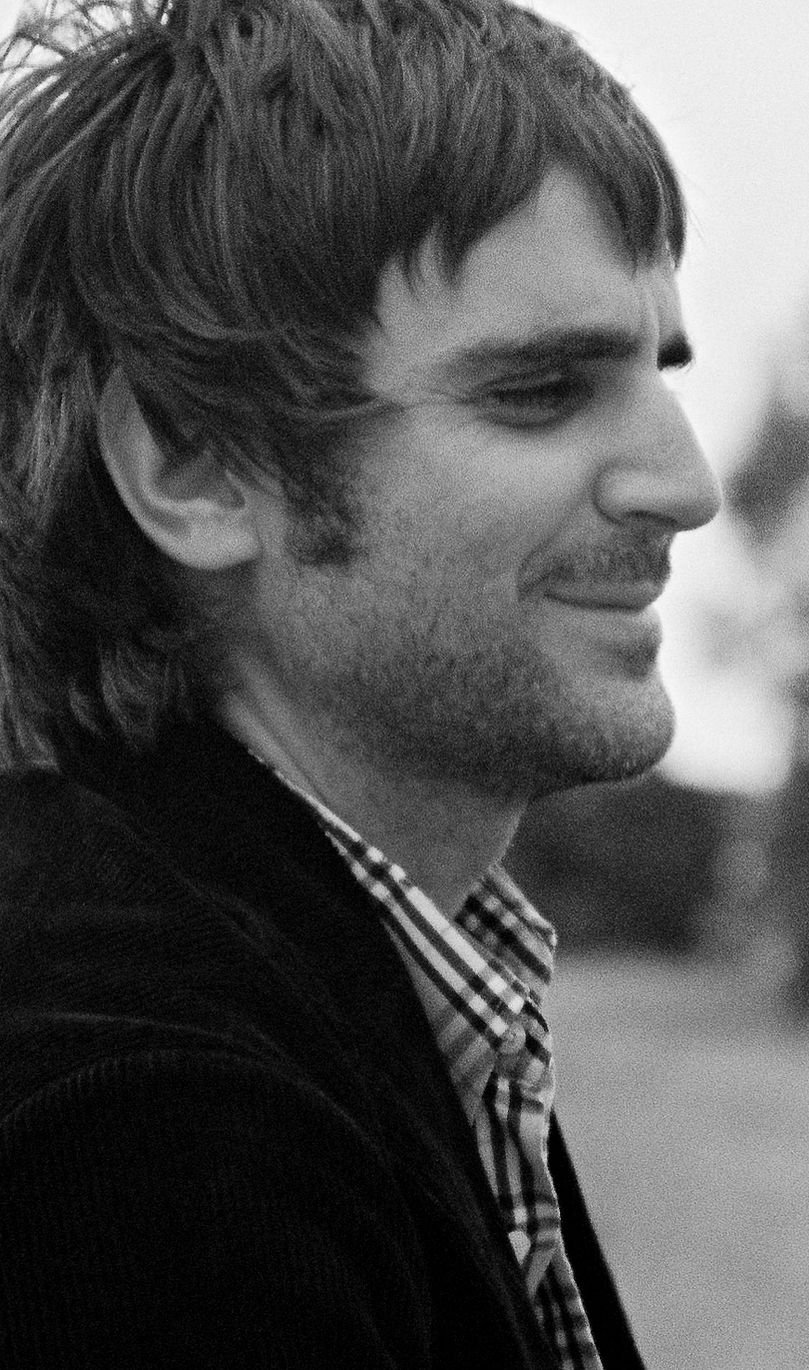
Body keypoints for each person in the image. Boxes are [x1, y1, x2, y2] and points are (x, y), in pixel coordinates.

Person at [0, 0, 719, 1365]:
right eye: (541, 392)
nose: (685, 485)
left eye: (659, 370)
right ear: (196, 467)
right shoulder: (145, 1138)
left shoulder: (358, 981)